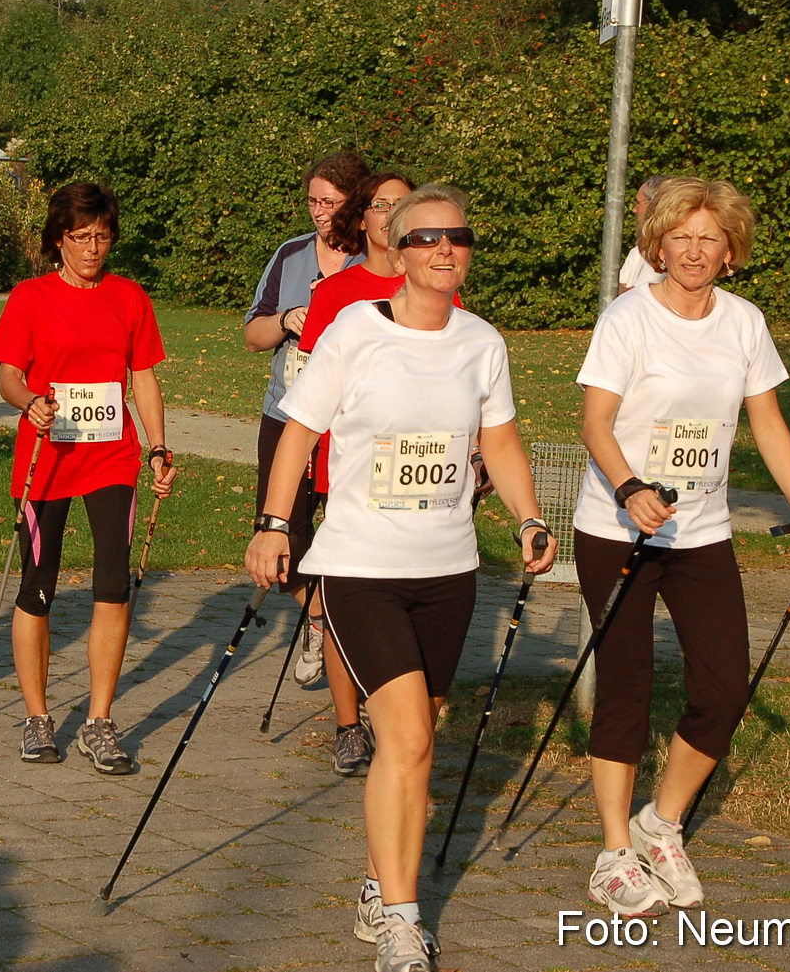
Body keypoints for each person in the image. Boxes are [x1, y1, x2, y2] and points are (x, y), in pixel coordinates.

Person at [246, 184, 557, 972]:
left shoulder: (482, 342)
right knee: (411, 738)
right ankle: (401, 919)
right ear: (398, 247)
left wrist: (526, 515)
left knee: (413, 746)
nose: (444, 249)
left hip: (448, 567)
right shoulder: (355, 329)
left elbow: (505, 442)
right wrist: (275, 525)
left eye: (458, 237)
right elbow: (298, 432)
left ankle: (381, 881)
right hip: (360, 564)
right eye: (426, 238)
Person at [573, 177, 790, 916]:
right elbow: (597, 423)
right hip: (617, 526)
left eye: (709, 240)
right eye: (680, 238)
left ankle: (660, 822)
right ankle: (613, 854)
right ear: (658, 245)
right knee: (625, 686)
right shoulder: (627, 319)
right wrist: (629, 486)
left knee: (724, 687)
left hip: (702, 532)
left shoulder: (744, 323)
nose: (693, 252)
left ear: (730, 252)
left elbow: (767, 421)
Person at [0, 181, 175, 774]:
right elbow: (8, 375)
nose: (93, 248)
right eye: (81, 237)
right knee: (38, 588)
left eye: (102, 237)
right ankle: (38, 717)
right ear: (58, 239)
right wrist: (29, 401)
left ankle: (99, 720)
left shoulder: (128, 297)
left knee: (113, 586)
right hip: (47, 462)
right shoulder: (30, 297)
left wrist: (158, 447)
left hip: (110, 458)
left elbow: (142, 377)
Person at [243, 150, 368, 767]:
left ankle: (345, 646)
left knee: (342, 534)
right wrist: (288, 319)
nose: (320, 214)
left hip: (349, 425)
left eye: (331, 203)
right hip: (286, 412)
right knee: (282, 530)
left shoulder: (375, 260)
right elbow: (252, 331)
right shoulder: (291, 255)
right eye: (313, 202)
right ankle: (320, 616)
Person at [287, 169, 413, 777]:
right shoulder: (336, 292)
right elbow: (312, 389)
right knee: (341, 598)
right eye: (380, 205)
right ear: (360, 218)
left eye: (402, 205)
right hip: (346, 470)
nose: (390, 215)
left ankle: (399, 712)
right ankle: (347, 724)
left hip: (416, 475)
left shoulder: (438, 287)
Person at [617, 175, 669, 294]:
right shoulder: (638, 250)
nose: (635, 209)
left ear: (652, 205)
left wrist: (617, 290)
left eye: (638, 203)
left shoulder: (665, 249)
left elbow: (644, 296)